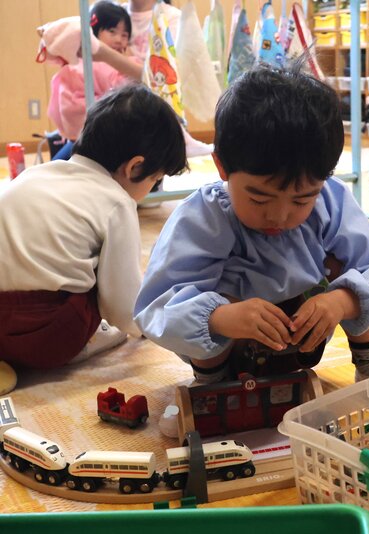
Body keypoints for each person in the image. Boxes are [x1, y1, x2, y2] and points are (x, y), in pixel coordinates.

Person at [134, 64, 369, 385]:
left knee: (351, 274)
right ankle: (213, 384)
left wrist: (341, 301)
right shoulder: (203, 216)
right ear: (222, 167)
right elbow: (157, 306)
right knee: (206, 302)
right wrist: (220, 317)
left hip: (306, 336)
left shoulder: (330, 199)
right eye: (259, 199)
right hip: (234, 348)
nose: (279, 216)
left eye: (301, 200)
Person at [0, 84, 188, 390]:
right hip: (45, 337)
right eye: (155, 179)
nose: (152, 187)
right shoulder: (117, 202)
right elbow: (123, 306)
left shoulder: (35, 174)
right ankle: (63, 352)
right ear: (135, 167)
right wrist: (142, 326)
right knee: (100, 285)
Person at [48, 1, 143, 161]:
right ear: (95, 32)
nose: (119, 39)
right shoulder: (84, 64)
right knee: (58, 165)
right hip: (84, 134)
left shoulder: (126, 62)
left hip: (109, 136)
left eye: (124, 35)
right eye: (112, 32)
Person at [123, 0, 214, 159]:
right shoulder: (112, 12)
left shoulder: (172, 17)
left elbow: (159, 77)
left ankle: (180, 137)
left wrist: (104, 53)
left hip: (151, 112)